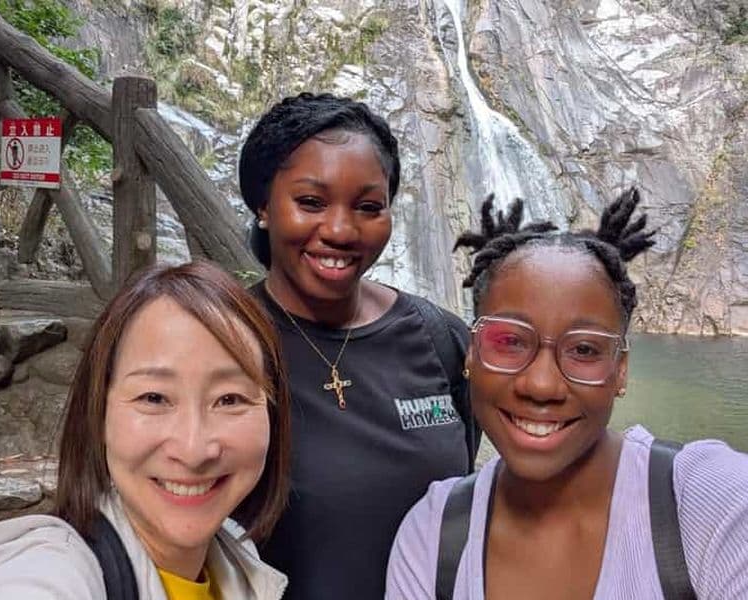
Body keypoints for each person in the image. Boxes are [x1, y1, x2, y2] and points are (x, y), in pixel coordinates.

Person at [386, 189, 748, 599]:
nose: (541, 385)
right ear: (471, 353)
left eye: (584, 350)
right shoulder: (430, 538)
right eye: (509, 341)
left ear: (621, 369)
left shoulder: (712, 502)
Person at [238, 92, 478, 600]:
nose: (341, 231)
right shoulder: (225, 343)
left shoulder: (442, 339)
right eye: (311, 202)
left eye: (368, 207)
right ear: (263, 206)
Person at [0, 261, 291, 599]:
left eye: (229, 399)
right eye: (154, 398)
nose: (193, 450)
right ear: (99, 412)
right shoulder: (42, 571)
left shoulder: (238, 564)